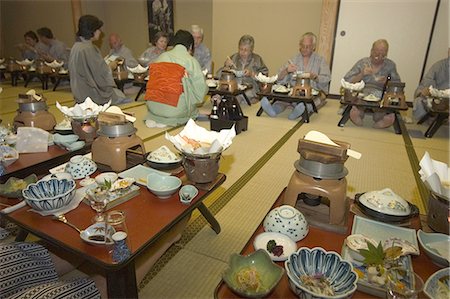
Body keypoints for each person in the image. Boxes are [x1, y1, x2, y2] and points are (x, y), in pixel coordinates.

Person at [144, 29, 207, 127]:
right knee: (193, 109)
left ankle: (158, 117)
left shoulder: (160, 57)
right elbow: (200, 91)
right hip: (175, 109)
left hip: (152, 107)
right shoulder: (190, 60)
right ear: (190, 46)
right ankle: (168, 118)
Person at [260, 32, 331, 120]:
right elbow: (278, 77)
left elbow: (327, 78)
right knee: (282, 101)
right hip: (294, 91)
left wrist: (315, 77)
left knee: (309, 103)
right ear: (299, 46)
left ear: (313, 47)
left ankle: (297, 112)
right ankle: (273, 111)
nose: (304, 49)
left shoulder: (320, 60)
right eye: (302, 46)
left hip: (312, 92)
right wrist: (286, 71)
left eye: (307, 47)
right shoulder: (294, 59)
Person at [68, 15, 130, 105]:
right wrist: (111, 66)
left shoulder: (76, 46)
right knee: (120, 96)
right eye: (99, 29)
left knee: (119, 94)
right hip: (91, 94)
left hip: (79, 92)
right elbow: (101, 74)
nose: (100, 32)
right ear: (92, 30)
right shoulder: (89, 49)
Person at [344, 39, 401, 128]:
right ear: (371, 51)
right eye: (376, 51)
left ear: (386, 53)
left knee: (381, 112)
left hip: (381, 94)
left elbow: (397, 85)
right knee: (357, 107)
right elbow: (347, 81)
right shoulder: (363, 63)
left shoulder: (390, 65)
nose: (379, 55)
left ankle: (381, 119)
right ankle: (357, 114)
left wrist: (388, 82)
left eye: (383, 53)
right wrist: (361, 74)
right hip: (362, 93)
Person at [217, 34, 268, 103]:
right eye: (241, 49)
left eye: (246, 50)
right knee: (219, 95)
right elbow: (218, 75)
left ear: (251, 50)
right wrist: (226, 67)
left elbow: (265, 77)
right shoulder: (233, 58)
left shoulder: (257, 59)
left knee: (238, 97)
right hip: (234, 87)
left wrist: (252, 74)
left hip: (250, 88)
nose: (243, 52)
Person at [413, 49, 450, 122]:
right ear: (449, 52)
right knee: (420, 100)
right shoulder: (438, 66)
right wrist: (429, 92)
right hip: (438, 96)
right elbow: (428, 82)